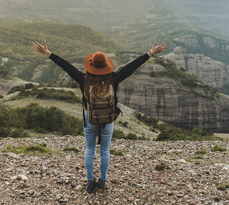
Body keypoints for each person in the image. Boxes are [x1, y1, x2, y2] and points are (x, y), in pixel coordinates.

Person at [32, 40, 166, 193]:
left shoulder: (84, 79)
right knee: (105, 151)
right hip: (108, 120)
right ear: (106, 66)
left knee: (90, 150)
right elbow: (131, 67)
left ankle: (90, 182)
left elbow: (66, 66)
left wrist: (48, 53)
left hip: (90, 118)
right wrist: (150, 54)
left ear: (91, 65)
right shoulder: (114, 78)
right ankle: (102, 181)